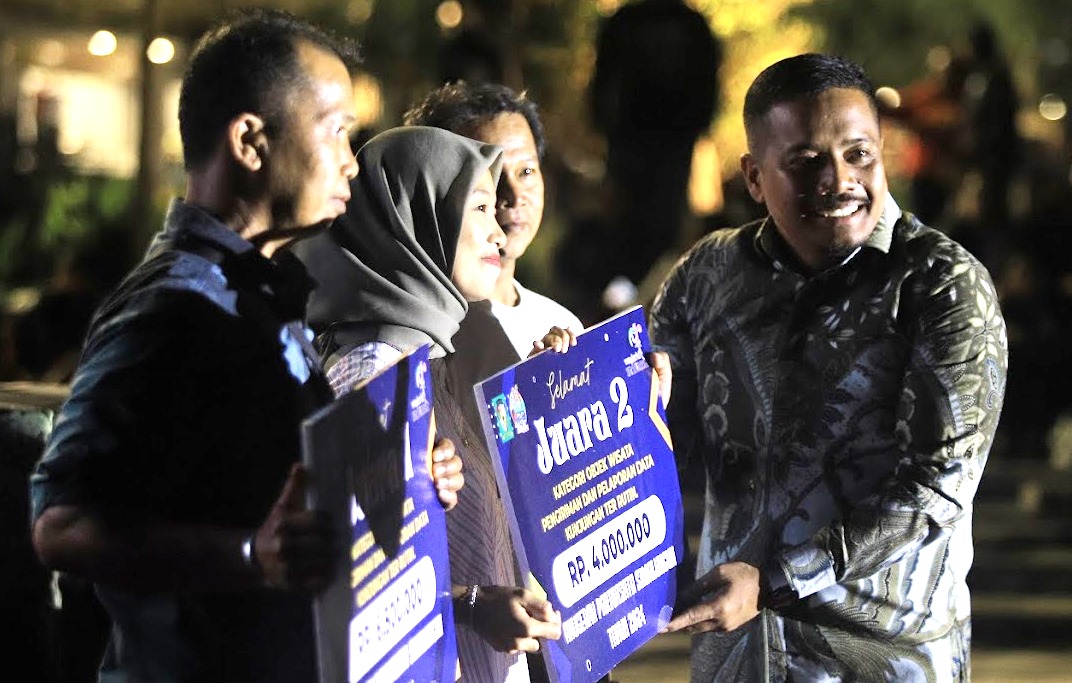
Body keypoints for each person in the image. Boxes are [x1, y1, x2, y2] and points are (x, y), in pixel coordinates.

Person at [28, 11, 462, 681]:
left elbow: (271, 482)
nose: (351, 160)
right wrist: (250, 555)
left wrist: (404, 471)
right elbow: (60, 525)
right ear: (251, 141)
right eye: (336, 130)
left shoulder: (260, 292)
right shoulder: (171, 308)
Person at [651, 54, 1007, 681]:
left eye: (858, 154)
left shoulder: (941, 285)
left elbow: (937, 488)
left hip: (884, 660)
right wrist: (577, 387)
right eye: (806, 161)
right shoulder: (706, 275)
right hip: (737, 656)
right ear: (754, 177)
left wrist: (774, 580)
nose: (839, 180)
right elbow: (657, 438)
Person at [295, 126, 566, 682]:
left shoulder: (428, 354)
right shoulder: (375, 371)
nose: (498, 232)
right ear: (419, 220)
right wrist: (472, 606)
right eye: (481, 207)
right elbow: (363, 582)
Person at [401, 81, 583, 433]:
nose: (513, 195)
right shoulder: (422, 339)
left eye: (526, 171)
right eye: (492, 175)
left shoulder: (564, 326)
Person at [590, 0, 722, 287]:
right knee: (652, 218)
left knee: (637, 218)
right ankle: (642, 288)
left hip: (647, 137)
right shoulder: (688, 24)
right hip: (655, 137)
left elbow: (603, 77)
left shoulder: (629, 21)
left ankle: (633, 288)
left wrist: (601, 121)